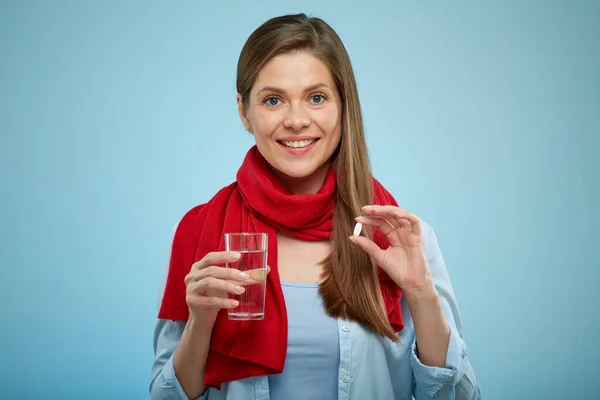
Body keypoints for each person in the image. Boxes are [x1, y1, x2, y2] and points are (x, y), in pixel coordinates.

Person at [150, 13, 481, 400]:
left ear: (343, 105)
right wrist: (200, 324)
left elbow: (457, 396)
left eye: (317, 98)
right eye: (273, 100)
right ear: (244, 111)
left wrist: (420, 293)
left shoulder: (401, 238)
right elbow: (164, 396)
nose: (295, 120)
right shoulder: (202, 230)